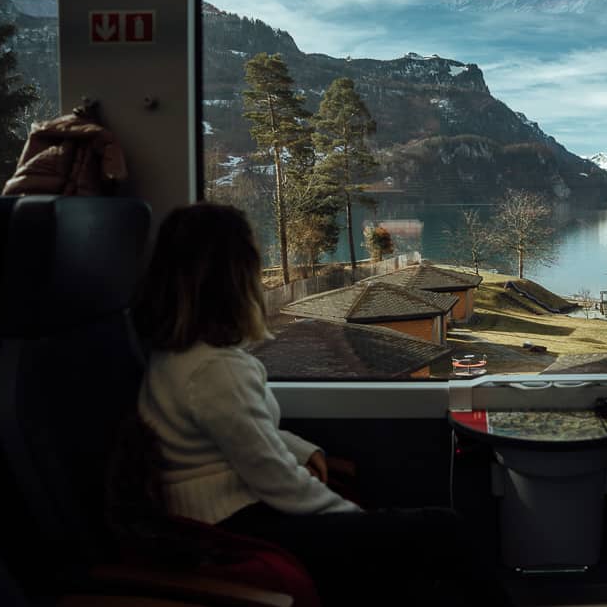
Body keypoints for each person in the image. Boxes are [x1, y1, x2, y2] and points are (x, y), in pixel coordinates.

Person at [133, 203, 511, 607]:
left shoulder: (179, 356)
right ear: (233, 281)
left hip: (219, 510)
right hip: (231, 523)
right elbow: (270, 474)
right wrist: (349, 516)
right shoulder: (215, 370)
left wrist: (302, 449)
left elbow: (237, 433)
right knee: (444, 529)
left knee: (411, 543)